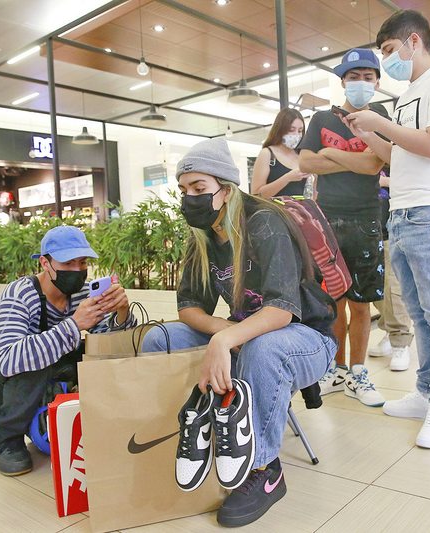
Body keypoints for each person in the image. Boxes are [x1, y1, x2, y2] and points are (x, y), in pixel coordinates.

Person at [141, 138, 336, 527]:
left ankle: (263, 469)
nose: (189, 198)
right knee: (158, 339)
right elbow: (188, 307)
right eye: (183, 190)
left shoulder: (263, 221)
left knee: (262, 348)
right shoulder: (203, 237)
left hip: (305, 337)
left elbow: (281, 310)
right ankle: (187, 435)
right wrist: (222, 331)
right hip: (246, 331)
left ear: (226, 190)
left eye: (199, 188)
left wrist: (227, 339)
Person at [343, 9, 430, 448]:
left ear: (414, 42)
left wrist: (380, 123)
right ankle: (425, 392)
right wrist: (369, 132)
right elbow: (399, 156)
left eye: (389, 51)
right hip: (402, 211)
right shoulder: (407, 95)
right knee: (418, 312)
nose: (387, 62)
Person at [0, 226, 132, 476]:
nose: (77, 270)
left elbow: (110, 348)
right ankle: (5, 437)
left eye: (82, 262)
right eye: (68, 262)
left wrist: (121, 313)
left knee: (92, 352)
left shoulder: (82, 293)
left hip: (45, 375)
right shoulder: (19, 295)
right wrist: (74, 324)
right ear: (45, 263)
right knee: (33, 358)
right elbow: (10, 360)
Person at [298, 48, 388, 406]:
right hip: (327, 220)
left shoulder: (379, 115)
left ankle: (359, 372)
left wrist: (330, 156)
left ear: (378, 82)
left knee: (362, 302)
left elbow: (373, 165)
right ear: (343, 82)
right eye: (354, 77)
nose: (361, 83)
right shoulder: (321, 118)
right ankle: (335, 368)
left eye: (368, 77)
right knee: (333, 300)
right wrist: (350, 159)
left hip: (366, 218)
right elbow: (306, 161)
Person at [369, 168, 413, 370]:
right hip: (365, 229)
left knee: (393, 288)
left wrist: (385, 181)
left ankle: (400, 342)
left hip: (393, 231)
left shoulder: (396, 155)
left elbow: (413, 182)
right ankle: (389, 331)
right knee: (375, 290)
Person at [250, 108, 310, 198]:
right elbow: (256, 194)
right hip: (274, 210)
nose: (296, 135)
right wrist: (287, 178)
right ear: (280, 129)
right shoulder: (267, 154)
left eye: (300, 131)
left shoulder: (301, 156)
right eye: (291, 130)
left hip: (298, 210)